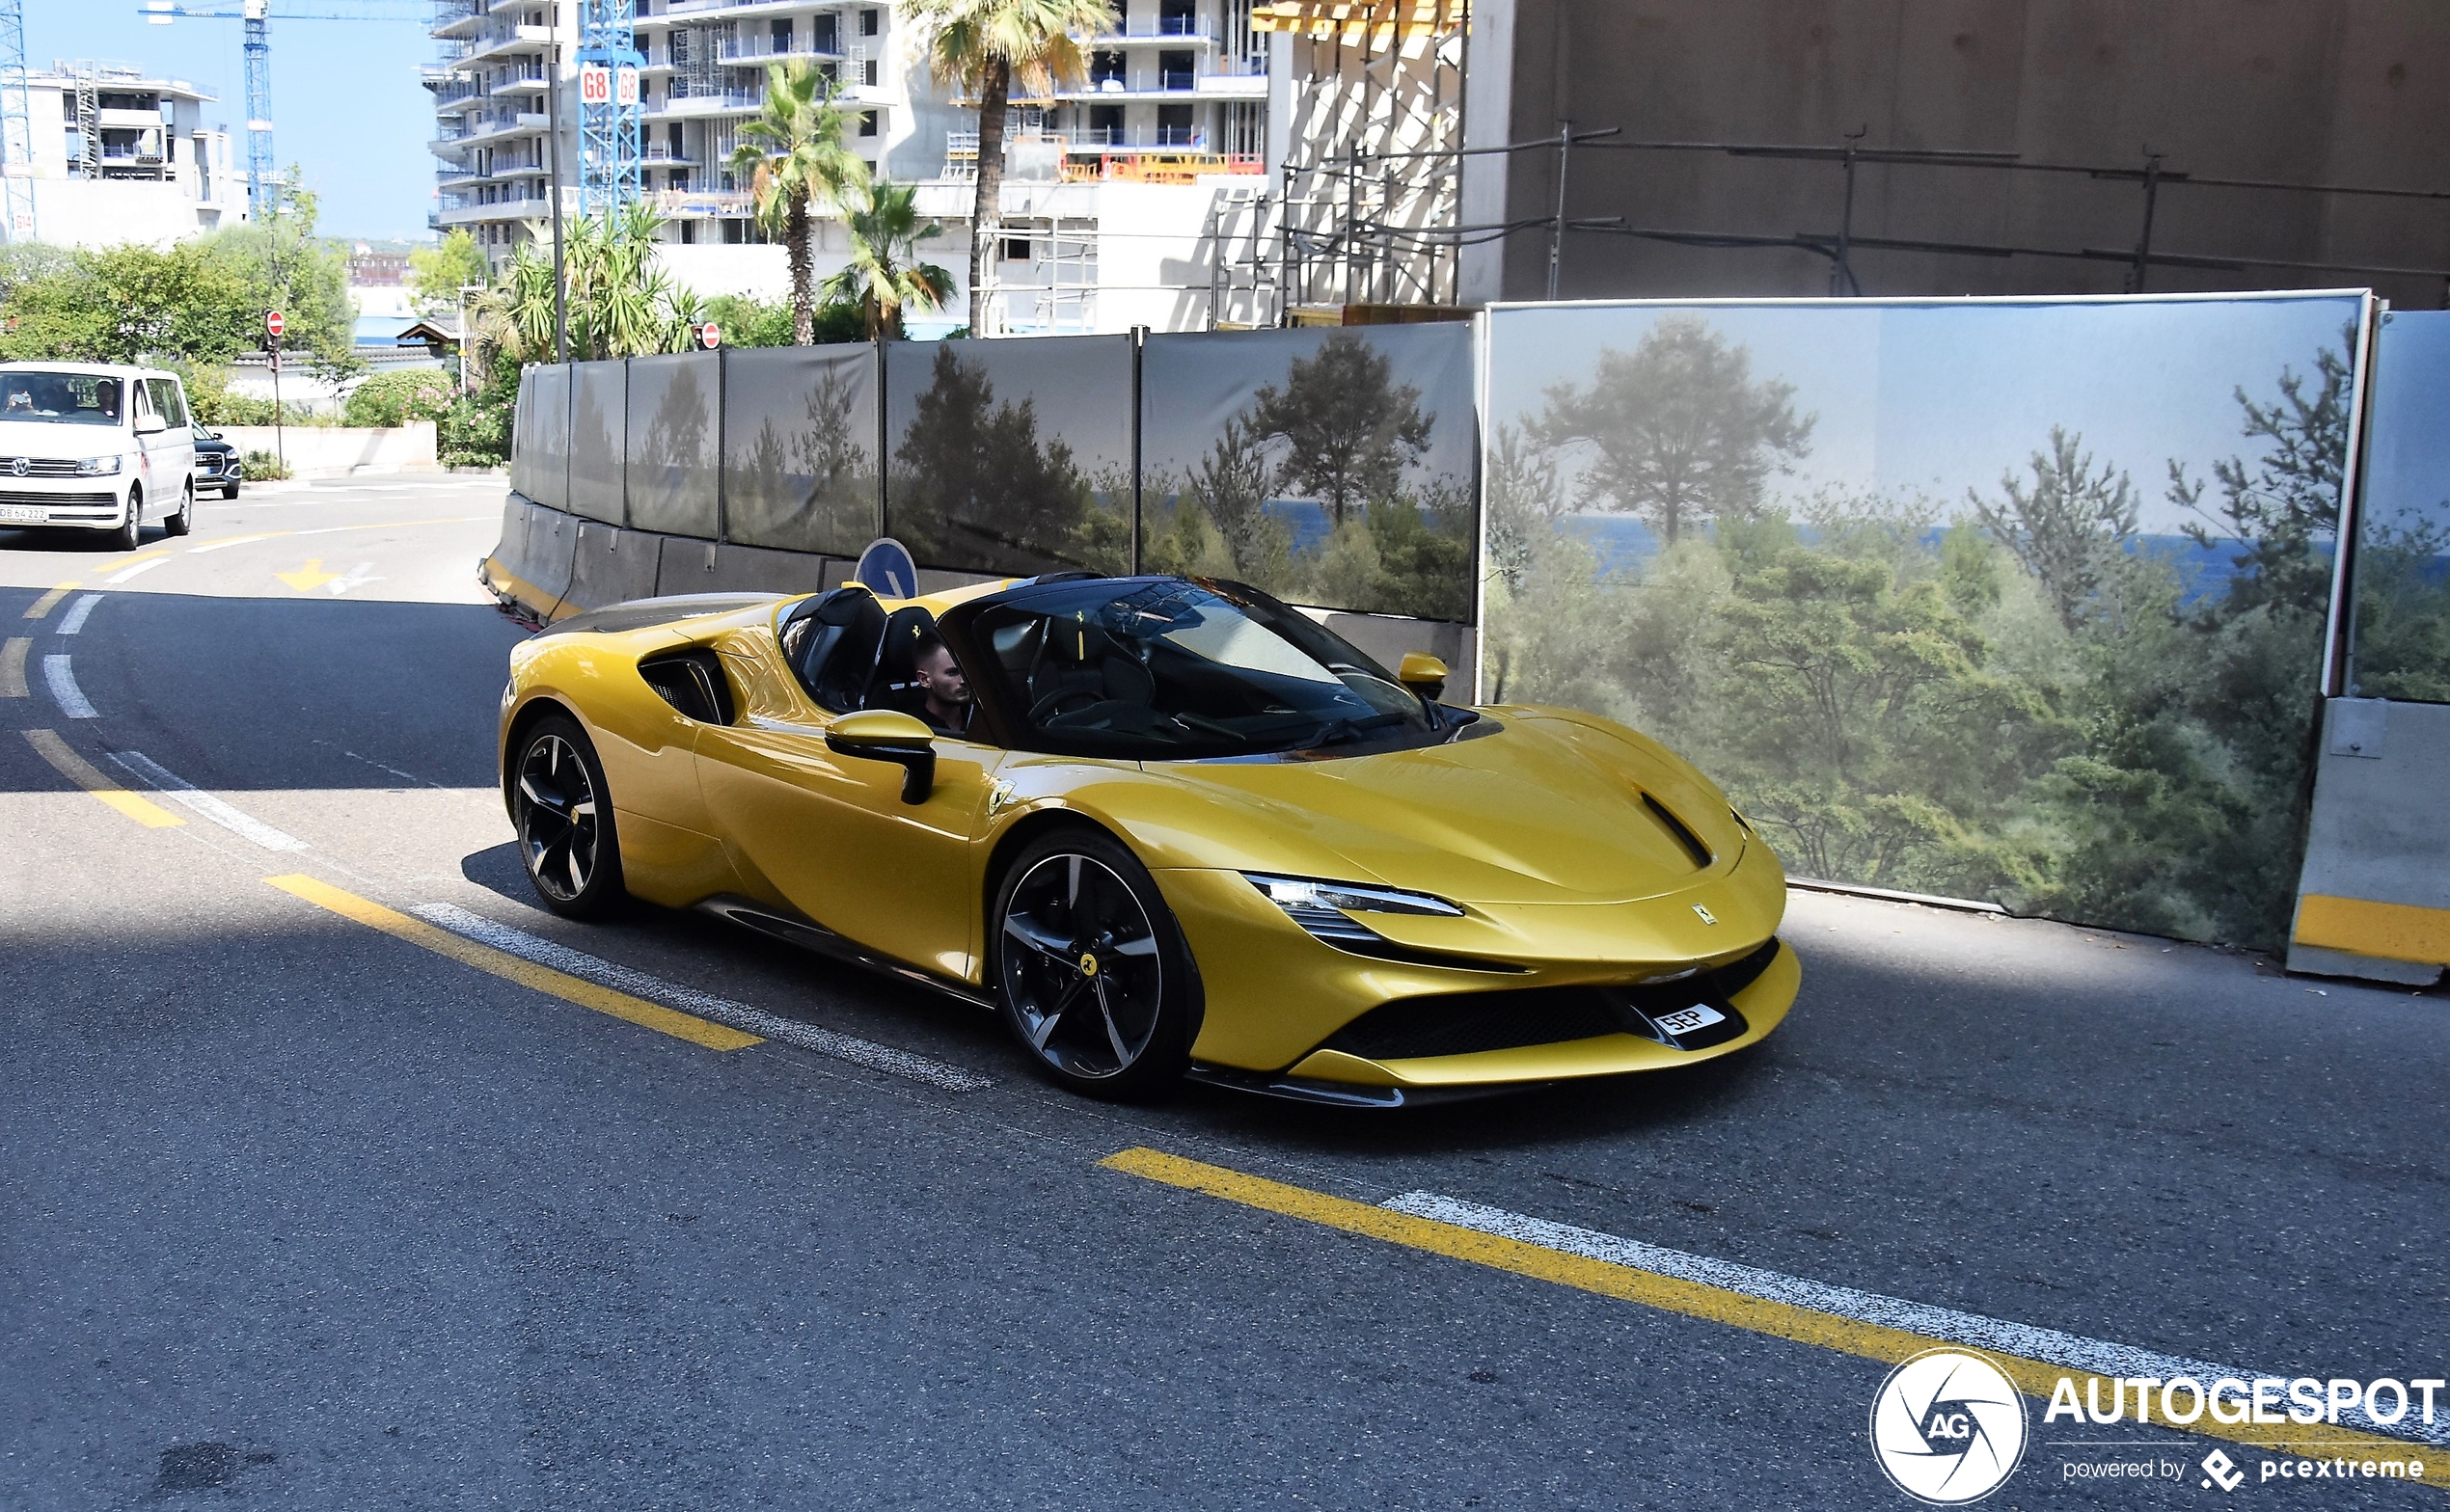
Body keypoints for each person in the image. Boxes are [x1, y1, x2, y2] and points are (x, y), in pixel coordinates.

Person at [910, 631, 972, 735]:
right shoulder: (912, 730)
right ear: (924, 679)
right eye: (952, 673)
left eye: (965, 670)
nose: (963, 680)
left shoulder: (983, 717)